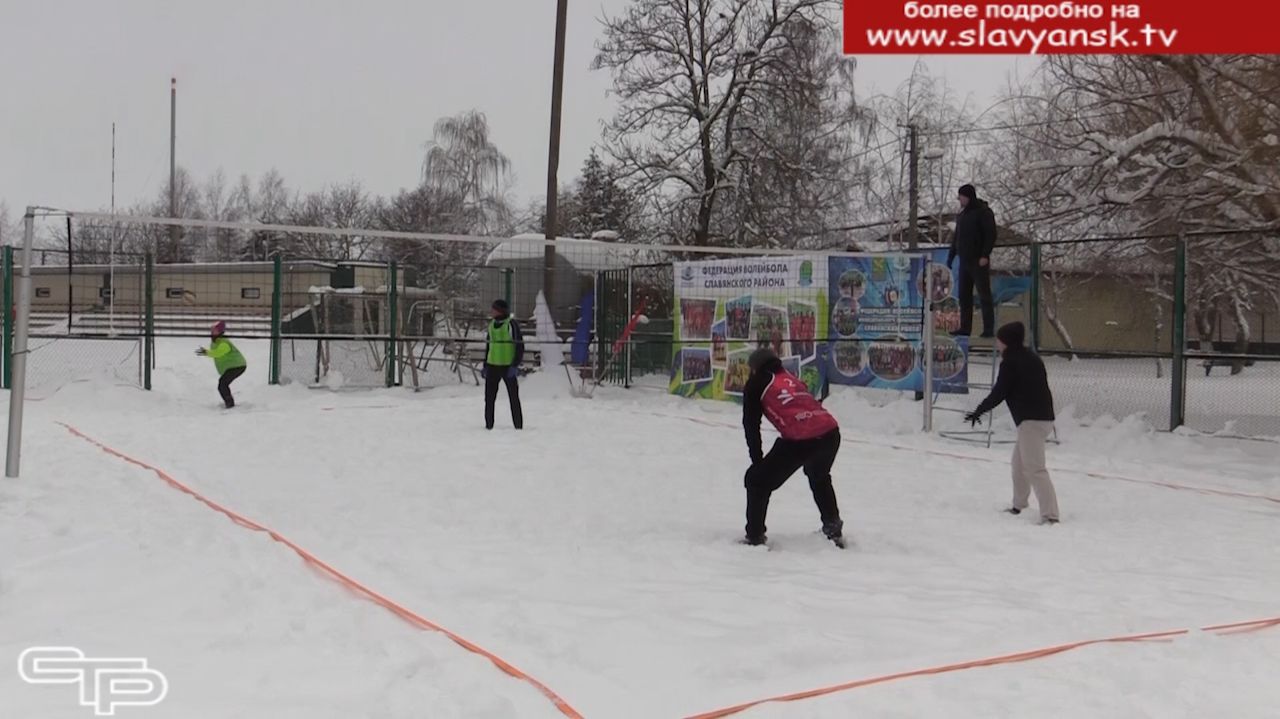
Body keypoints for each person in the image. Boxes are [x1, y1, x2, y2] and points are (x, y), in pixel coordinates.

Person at [741, 348, 845, 548]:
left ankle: (755, 537)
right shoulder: (789, 378)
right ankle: (833, 527)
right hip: (830, 432)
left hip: (802, 437)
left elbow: (751, 424)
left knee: (756, 481)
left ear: (755, 368)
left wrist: (757, 461)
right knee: (819, 475)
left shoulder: (757, 383)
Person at [964, 322, 1060, 525]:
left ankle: (1050, 515)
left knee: (1035, 468)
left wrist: (979, 410)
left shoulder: (1011, 363)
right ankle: (1019, 505)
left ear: (1007, 341)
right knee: (1019, 464)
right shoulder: (1031, 357)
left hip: (1031, 421)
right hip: (1042, 418)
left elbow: (1000, 392)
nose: (997, 343)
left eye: (999, 339)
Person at [947, 183, 997, 338]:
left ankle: (988, 328)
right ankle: (965, 327)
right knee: (964, 296)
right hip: (964, 260)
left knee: (984, 295)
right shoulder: (962, 215)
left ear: (968, 196)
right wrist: (952, 255)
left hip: (978, 260)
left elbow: (991, 234)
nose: (959, 200)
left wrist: (985, 254)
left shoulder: (983, 212)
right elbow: (957, 237)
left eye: (961, 197)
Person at [483, 298, 524, 430]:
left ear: (500, 311)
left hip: (508, 366)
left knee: (513, 397)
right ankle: (488, 425)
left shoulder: (511, 324)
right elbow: (488, 346)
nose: (492, 311)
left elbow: (519, 346)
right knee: (489, 398)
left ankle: (518, 426)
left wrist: (515, 365)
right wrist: (485, 365)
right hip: (492, 365)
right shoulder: (491, 325)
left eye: (494, 309)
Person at [196, 321, 247, 409]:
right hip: (232, 366)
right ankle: (229, 403)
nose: (212, 331)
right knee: (223, 384)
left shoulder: (224, 342)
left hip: (237, 366)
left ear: (220, 331)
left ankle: (230, 405)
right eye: (212, 329)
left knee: (222, 384)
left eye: (215, 330)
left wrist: (206, 352)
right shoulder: (215, 341)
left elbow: (218, 353)